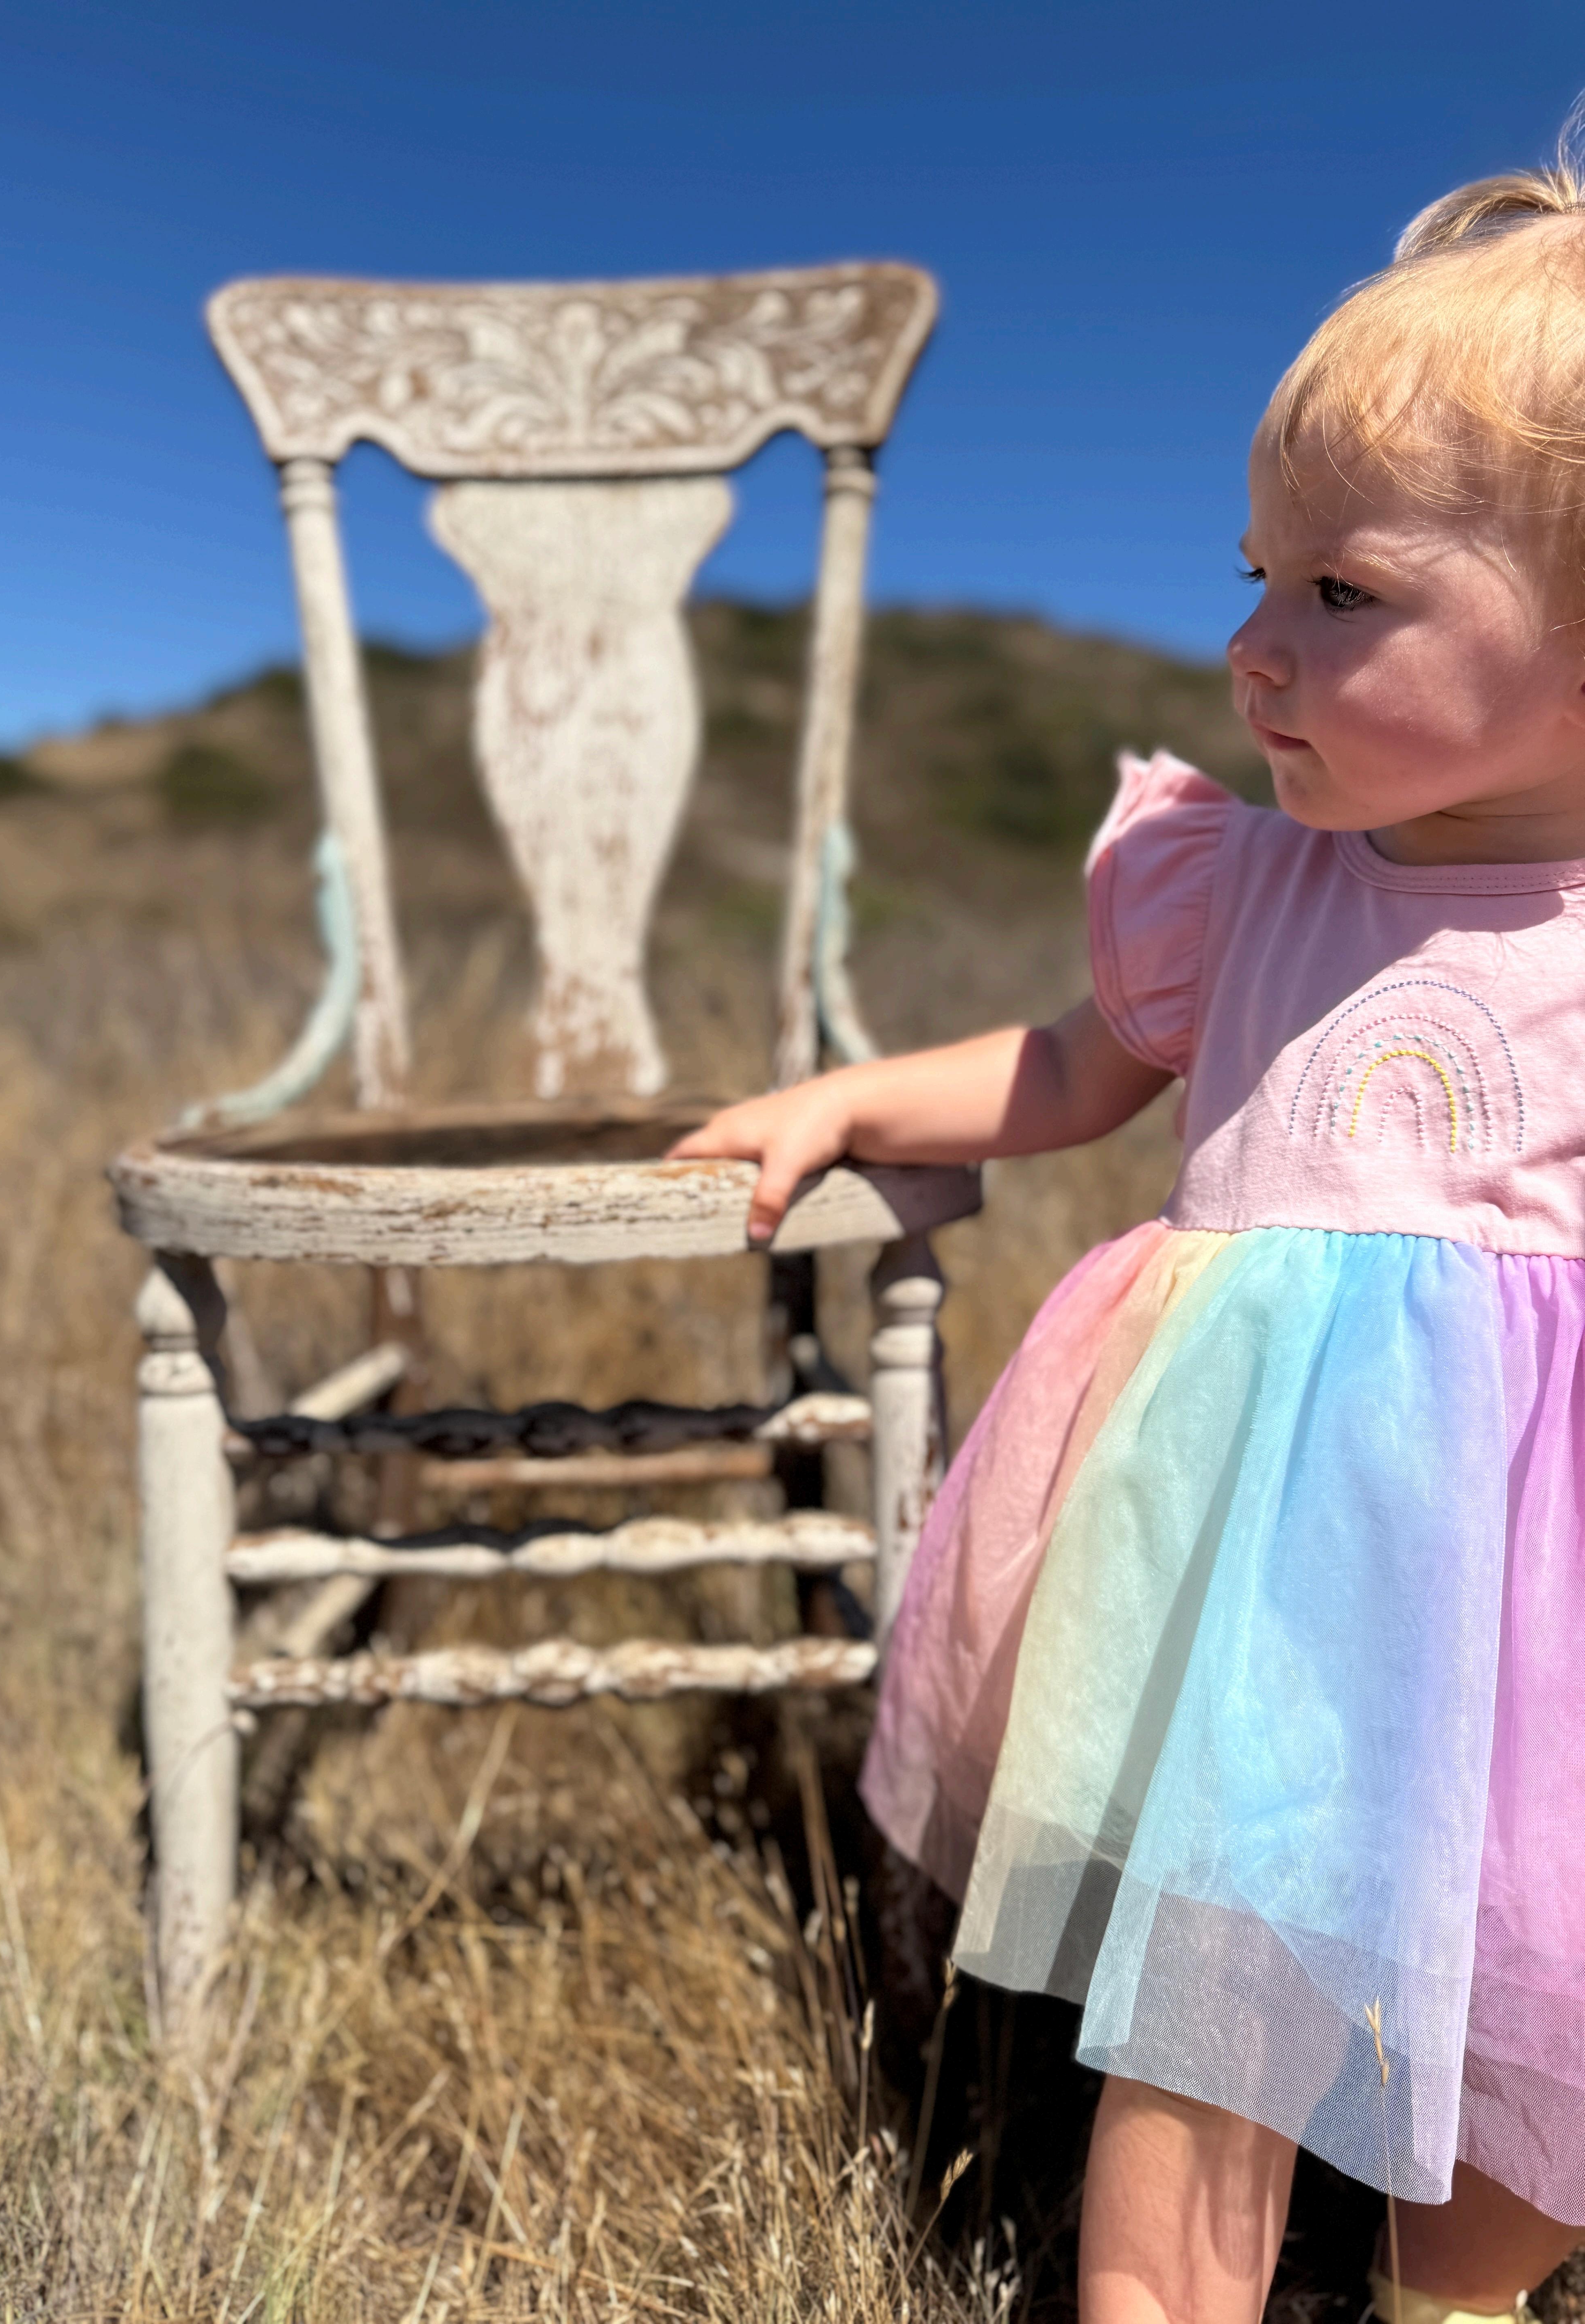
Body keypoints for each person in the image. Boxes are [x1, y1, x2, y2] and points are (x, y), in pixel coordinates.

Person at [669, 122, 1585, 2324]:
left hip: (1537, 1591)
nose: (1253, 648)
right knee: (1216, 1999)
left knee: (1545, 1982)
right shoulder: (1247, 889)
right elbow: (1075, 1068)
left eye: (1344, 594)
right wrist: (857, 1095)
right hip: (1258, 1575)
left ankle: (1457, 2293)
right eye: (1256, 576)